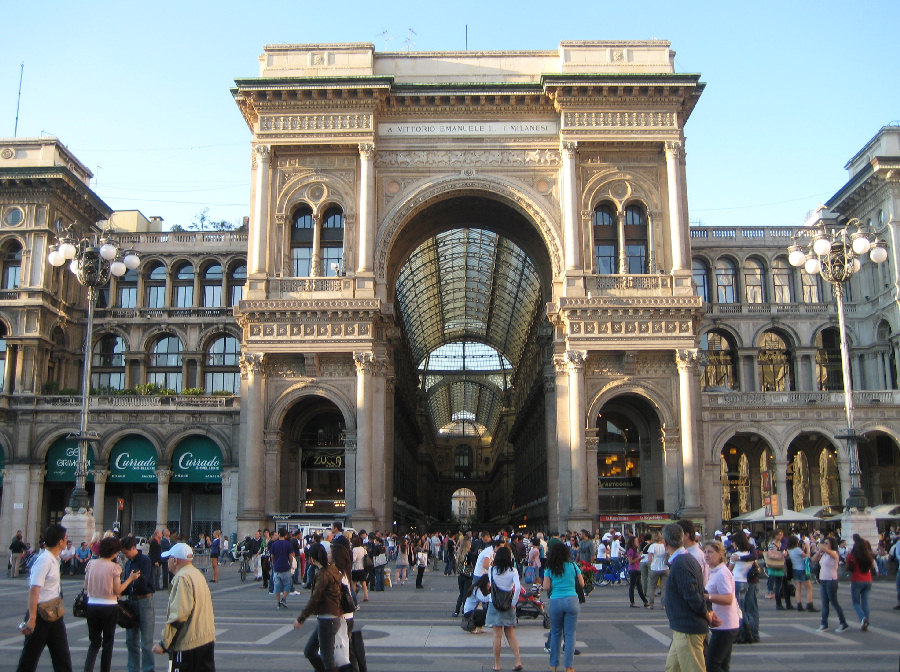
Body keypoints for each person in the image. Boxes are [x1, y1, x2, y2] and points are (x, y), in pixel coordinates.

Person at [15, 524, 72, 672]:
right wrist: (32, 617)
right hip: (40, 615)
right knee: (29, 658)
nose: (67, 540)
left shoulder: (54, 559)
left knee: (62, 657)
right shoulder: (44, 560)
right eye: (65, 538)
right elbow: (34, 589)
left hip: (54, 614)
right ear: (60, 541)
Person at [661, 523, 717, 672]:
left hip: (688, 629)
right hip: (682, 628)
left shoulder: (681, 563)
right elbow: (701, 590)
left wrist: (707, 614)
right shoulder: (687, 559)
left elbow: (693, 595)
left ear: (665, 543)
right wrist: (709, 611)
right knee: (672, 668)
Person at [152, 543, 216, 671]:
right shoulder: (197, 574)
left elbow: (179, 615)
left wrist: (164, 643)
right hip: (206, 638)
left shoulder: (182, 578)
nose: (167, 562)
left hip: (188, 642)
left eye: (169, 558)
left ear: (174, 560)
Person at [83, 536, 140, 672]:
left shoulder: (91, 564)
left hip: (92, 605)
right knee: (108, 643)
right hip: (109, 606)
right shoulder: (115, 568)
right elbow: (117, 590)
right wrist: (130, 579)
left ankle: (88, 669)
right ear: (114, 552)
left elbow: (86, 586)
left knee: (94, 643)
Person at [294, 543, 343, 672]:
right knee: (310, 651)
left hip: (328, 619)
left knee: (327, 659)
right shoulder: (332, 569)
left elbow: (315, 599)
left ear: (311, 559)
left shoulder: (323, 574)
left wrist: (301, 619)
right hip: (329, 617)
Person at [543, 540, 583, 672]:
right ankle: (569, 667)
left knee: (555, 633)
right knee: (570, 634)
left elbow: (546, 586)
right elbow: (582, 583)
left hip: (555, 601)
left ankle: (553, 665)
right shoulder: (572, 565)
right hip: (572, 600)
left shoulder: (550, 568)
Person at [703, 540, 739, 672]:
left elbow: (728, 598)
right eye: (705, 552)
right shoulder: (714, 572)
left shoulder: (722, 573)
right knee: (723, 664)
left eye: (710, 552)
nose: (707, 555)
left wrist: (708, 597)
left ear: (720, 554)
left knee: (712, 664)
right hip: (723, 624)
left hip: (726, 625)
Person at [121, 536, 155, 672]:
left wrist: (129, 584)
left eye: (126, 552)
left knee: (146, 641)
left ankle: (148, 669)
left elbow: (143, 581)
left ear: (133, 548)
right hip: (131, 600)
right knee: (131, 640)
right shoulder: (128, 563)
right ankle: (133, 669)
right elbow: (128, 582)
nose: (125, 555)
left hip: (145, 600)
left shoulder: (145, 561)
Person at [486, 545, 523, 672]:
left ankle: (497, 664)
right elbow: (517, 588)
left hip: (494, 604)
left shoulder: (491, 570)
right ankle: (518, 660)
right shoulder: (513, 571)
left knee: (497, 636)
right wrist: (514, 602)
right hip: (509, 604)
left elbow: (491, 587)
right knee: (510, 634)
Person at [727, 531, 758, 645]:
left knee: (738, 610)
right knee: (742, 608)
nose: (732, 544)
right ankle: (747, 633)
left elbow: (729, 569)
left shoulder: (736, 555)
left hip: (736, 581)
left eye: (733, 542)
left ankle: (743, 633)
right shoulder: (748, 554)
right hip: (745, 582)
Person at [814, 536, 848, 633]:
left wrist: (819, 545)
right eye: (824, 543)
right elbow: (813, 559)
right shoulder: (824, 554)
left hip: (831, 580)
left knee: (834, 602)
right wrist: (819, 551)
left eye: (826, 543)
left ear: (831, 544)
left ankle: (843, 623)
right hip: (823, 580)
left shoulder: (834, 553)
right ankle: (824, 624)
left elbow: (827, 550)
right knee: (825, 603)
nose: (825, 545)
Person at [846, 533, 874, 631]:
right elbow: (872, 566)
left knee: (856, 603)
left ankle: (863, 618)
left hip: (856, 580)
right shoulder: (868, 555)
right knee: (865, 602)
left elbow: (848, 567)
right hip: (868, 580)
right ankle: (866, 622)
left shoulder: (852, 556)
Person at [270, 529, 295, 609]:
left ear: (279, 534)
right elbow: (290, 556)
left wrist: (273, 563)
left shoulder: (274, 544)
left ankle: (278, 602)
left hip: (276, 567)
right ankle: (283, 598)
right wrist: (290, 564)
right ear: (286, 535)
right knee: (287, 584)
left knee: (277, 586)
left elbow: (272, 556)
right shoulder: (288, 544)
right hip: (285, 567)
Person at [454, 535, 475, 617]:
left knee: (461, 593)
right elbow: (473, 564)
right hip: (468, 575)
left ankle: (456, 610)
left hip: (461, 575)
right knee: (466, 594)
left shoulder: (460, 553)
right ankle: (464, 610)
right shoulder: (470, 554)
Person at [625, 534, 649, 608]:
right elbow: (630, 561)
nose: (637, 542)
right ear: (632, 542)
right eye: (635, 541)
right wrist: (638, 558)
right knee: (632, 586)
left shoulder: (635, 549)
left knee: (639, 586)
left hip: (637, 569)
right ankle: (632, 602)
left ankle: (645, 601)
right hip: (633, 569)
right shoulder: (631, 550)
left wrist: (640, 557)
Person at [647, 531, 668, 609]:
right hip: (664, 567)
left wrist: (650, 565)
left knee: (652, 587)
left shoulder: (652, 546)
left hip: (655, 567)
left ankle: (651, 604)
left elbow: (650, 558)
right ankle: (663, 605)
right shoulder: (665, 546)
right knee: (664, 588)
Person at [350, 535, 370, 602]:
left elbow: (354, 559)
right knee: (364, 583)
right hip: (362, 568)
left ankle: (353, 597)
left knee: (354, 583)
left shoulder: (355, 549)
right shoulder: (363, 549)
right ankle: (366, 596)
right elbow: (366, 555)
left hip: (355, 568)